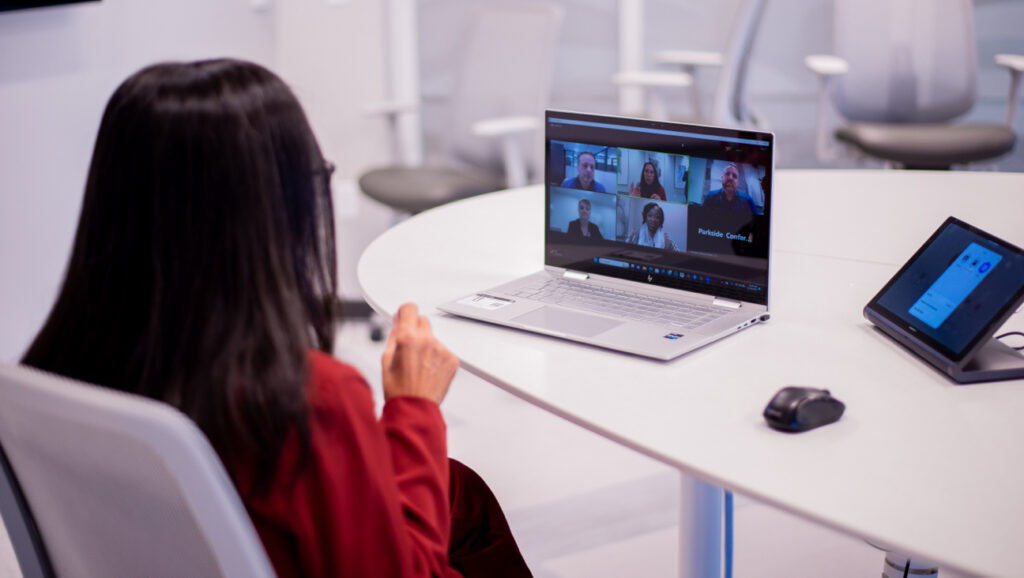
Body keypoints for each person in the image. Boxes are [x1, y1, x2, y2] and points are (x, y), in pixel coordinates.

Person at [20, 59, 530, 578]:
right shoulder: (308, 400)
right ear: (274, 212)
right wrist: (414, 407)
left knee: (460, 492)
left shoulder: (49, 371)